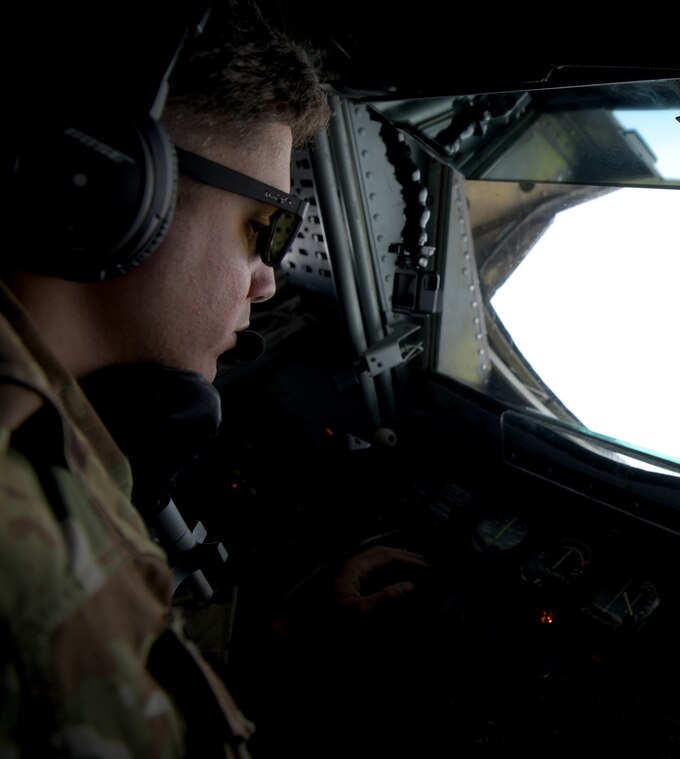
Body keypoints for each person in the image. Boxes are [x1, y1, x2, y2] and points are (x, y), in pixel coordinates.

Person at [0, 1, 428, 756]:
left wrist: (276, 636)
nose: (267, 282)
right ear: (117, 186)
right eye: (269, 226)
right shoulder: (28, 547)